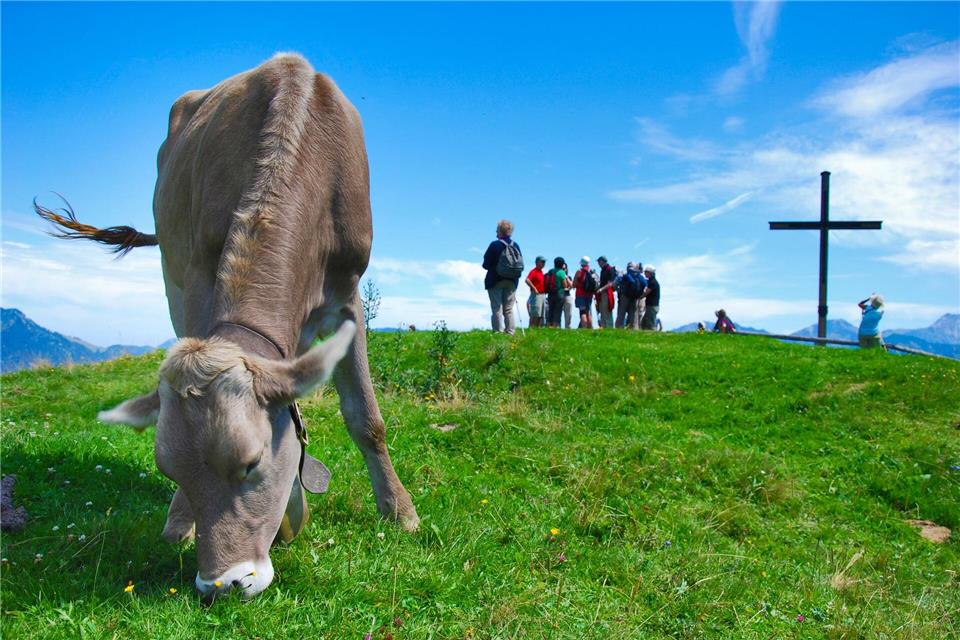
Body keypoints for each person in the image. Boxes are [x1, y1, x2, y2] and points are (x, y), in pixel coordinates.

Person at [482, 219, 523, 335]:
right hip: (512, 281)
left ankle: (498, 332)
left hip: (496, 280)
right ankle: (510, 331)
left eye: (497, 230)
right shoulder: (516, 245)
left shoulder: (494, 245)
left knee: (497, 307)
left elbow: (486, 265)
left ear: (500, 231)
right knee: (508, 309)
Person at [614, 261, 646, 330]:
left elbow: (615, 283)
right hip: (635, 297)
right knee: (633, 316)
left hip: (624, 296)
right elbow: (645, 284)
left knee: (621, 314)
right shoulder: (638, 274)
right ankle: (634, 329)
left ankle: (619, 329)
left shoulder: (623, 273)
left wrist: (618, 290)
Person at [572, 256, 596, 329]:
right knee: (588, 312)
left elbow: (574, 284)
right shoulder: (592, 271)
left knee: (582, 312)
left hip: (580, 294)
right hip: (589, 294)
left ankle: (584, 328)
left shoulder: (579, 272)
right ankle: (590, 328)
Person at [524, 256, 547, 328]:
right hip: (537, 295)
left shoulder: (541, 272)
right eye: (542, 262)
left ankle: (537, 329)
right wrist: (534, 288)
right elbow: (527, 280)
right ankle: (532, 328)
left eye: (544, 262)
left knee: (541, 314)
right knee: (535, 314)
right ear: (537, 262)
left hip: (542, 295)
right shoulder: (534, 271)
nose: (544, 263)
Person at [594, 256, 617, 329]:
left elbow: (610, 283)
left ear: (602, 261)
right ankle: (604, 327)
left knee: (607, 311)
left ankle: (609, 328)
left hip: (607, 293)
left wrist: (601, 289)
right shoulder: (603, 270)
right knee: (602, 311)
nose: (598, 263)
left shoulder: (609, 269)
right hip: (602, 293)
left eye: (598, 262)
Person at [545, 257, 567, 328]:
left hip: (550, 293)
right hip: (559, 294)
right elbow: (565, 285)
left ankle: (548, 325)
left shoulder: (550, 271)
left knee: (550, 309)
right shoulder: (561, 272)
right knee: (557, 311)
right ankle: (554, 326)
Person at [640, 264, 660, 330]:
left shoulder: (652, 282)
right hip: (651, 306)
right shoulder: (652, 281)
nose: (645, 273)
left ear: (650, 273)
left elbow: (646, 292)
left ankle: (654, 336)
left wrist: (639, 297)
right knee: (644, 324)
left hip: (652, 306)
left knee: (650, 324)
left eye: (646, 272)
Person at [561, 260, 574, 328]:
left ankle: (567, 327)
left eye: (565, 268)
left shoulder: (569, 277)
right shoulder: (559, 276)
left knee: (568, 315)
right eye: (562, 268)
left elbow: (571, 286)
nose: (564, 270)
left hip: (567, 296)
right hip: (559, 296)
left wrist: (565, 276)